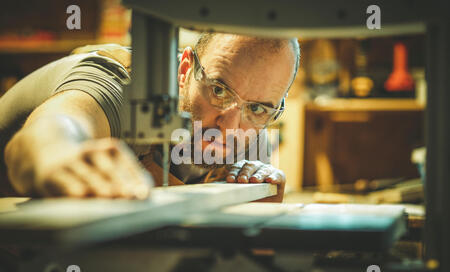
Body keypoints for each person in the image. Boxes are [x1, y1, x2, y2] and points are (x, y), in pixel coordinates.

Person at [0, 33, 300, 202]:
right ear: (184, 71)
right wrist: (58, 155)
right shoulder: (125, 87)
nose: (230, 127)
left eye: (258, 109)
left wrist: (258, 204)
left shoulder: (249, 122)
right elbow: (46, 134)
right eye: (219, 90)